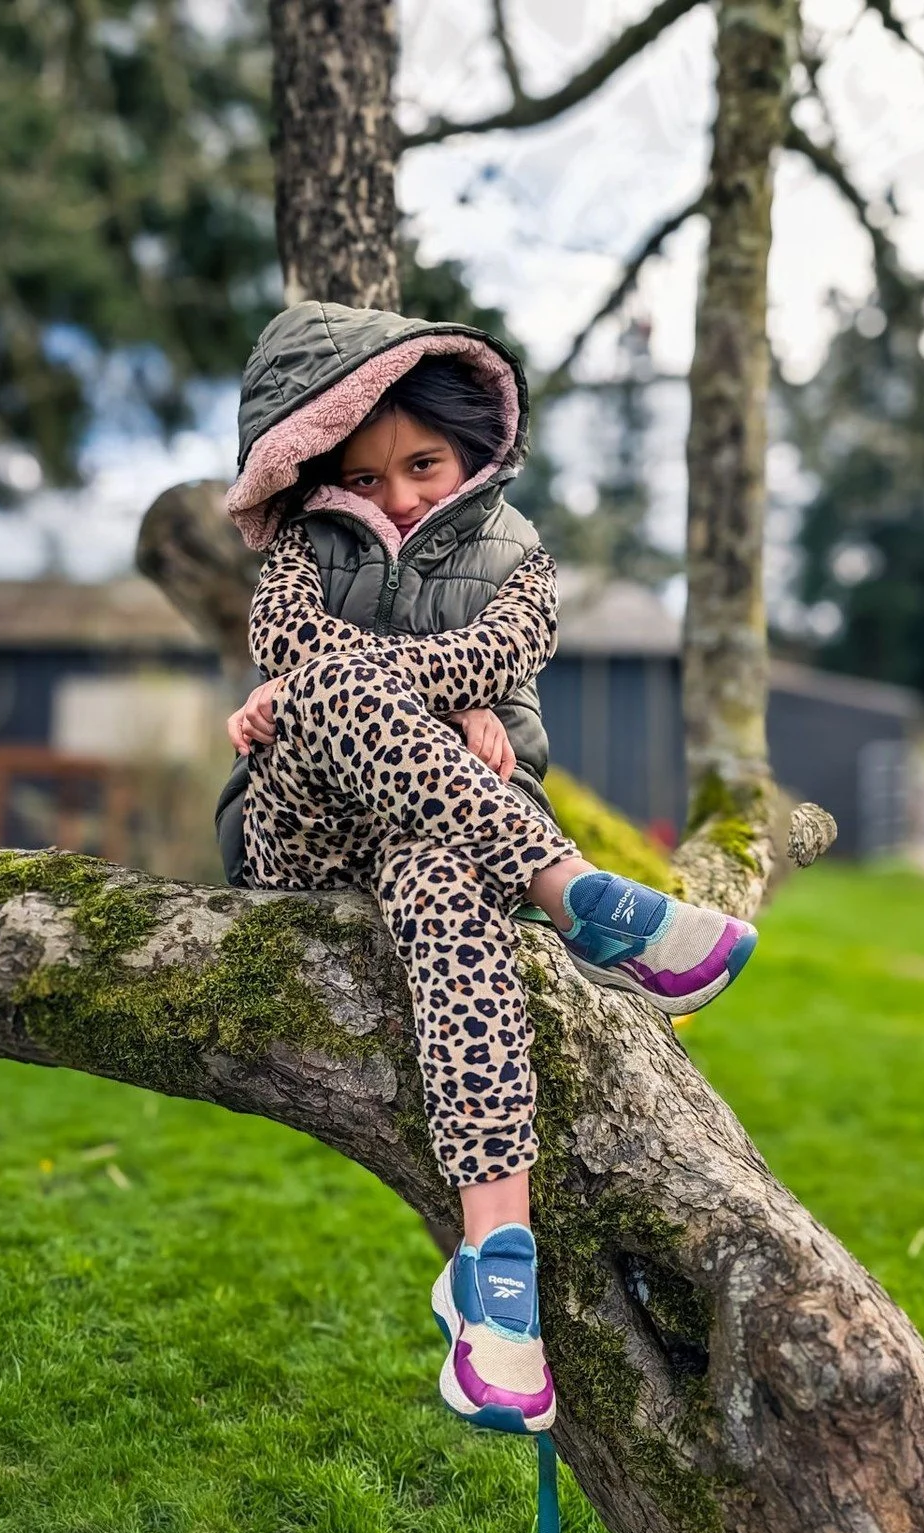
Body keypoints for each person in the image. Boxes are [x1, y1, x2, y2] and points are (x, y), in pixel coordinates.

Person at [217, 301, 756, 1435]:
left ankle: (492, 1282)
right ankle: (575, 895)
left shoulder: (521, 558)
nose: (398, 493)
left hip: (440, 841)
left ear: (471, 446)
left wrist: (397, 684)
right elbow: (300, 653)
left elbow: (502, 649)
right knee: (327, 684)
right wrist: (415, 697)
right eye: (363, 476)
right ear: (318, 474)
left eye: (420, 462)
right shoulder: (297, 558)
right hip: (301, 842)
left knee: (443, 887)